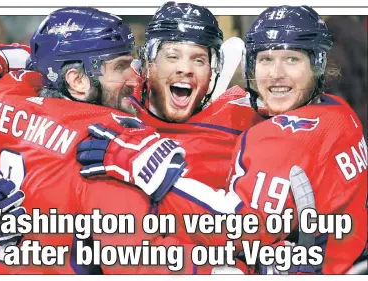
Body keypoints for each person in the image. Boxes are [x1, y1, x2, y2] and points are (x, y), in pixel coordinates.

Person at [79, 5, 367, 274]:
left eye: (198, 59)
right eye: (172, 56)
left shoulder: (262, 122)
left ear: (214, 69)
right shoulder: (113, 106)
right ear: (149, 63)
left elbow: (242, 228)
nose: (185, 68)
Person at [0, 7, 206, 275]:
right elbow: (143, 267)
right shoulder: (103, 143)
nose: (135, 78)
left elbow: (21, 62)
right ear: (76, 80)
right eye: (120, 66)